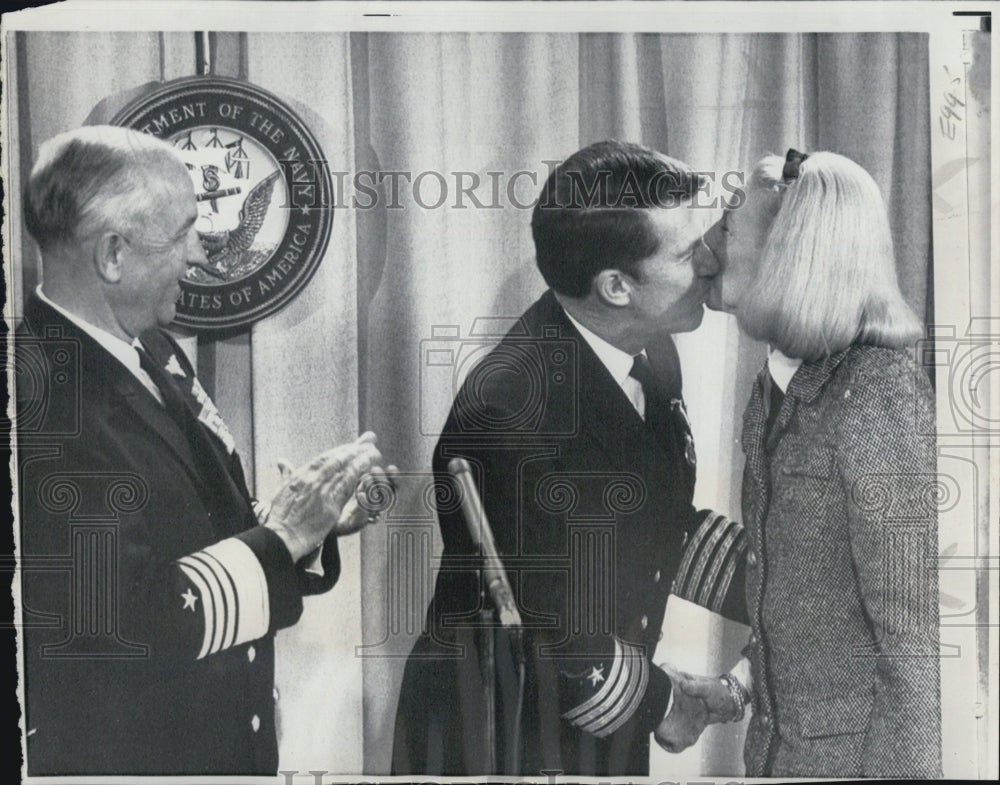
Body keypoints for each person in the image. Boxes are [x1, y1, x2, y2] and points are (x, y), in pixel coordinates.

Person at [14, 125, 395, 775]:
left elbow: (194, 530)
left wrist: (309, 524)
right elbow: (122, 627)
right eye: (184, 230)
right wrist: (279, 537)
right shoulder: (41, 404)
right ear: (113, 254)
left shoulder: (146, 346)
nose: (200, 253)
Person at [391, 140, 747, 776]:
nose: (713, 262)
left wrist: (791, 586)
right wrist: (669, 702)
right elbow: (549, 630)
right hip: (502, 731)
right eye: (690, 252)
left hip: (603, 713)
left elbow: (654, 520)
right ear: (616, 287)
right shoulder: (507, 410)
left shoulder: (650, 347)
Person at [662, 149, 941, 777]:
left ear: (789, 253)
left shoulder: (878, 397)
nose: (704, 247)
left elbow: (915, 645)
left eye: (728, 228)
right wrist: (737, 685)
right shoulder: (777, 382)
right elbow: (811, 594)